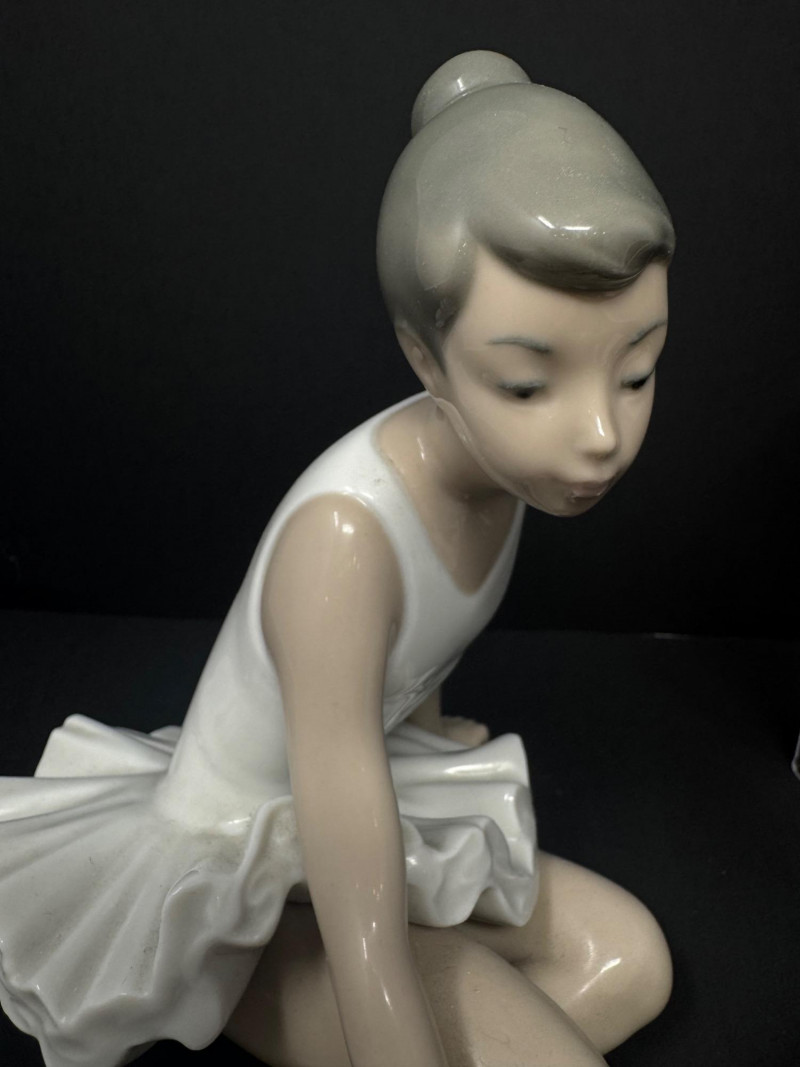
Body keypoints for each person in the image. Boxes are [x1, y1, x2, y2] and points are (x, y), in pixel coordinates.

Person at [0, 51, 675, 1067]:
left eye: (636, 370)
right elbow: (344, 829)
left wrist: (431, 733)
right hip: (245, 876)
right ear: (424, 357)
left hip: (367, 807)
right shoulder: (343, 547)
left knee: (631, 964)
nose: (600, 435)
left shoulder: (512, 471)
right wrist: (393, 1025)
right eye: (527, 385)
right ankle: (258, 988)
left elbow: (415, 652)